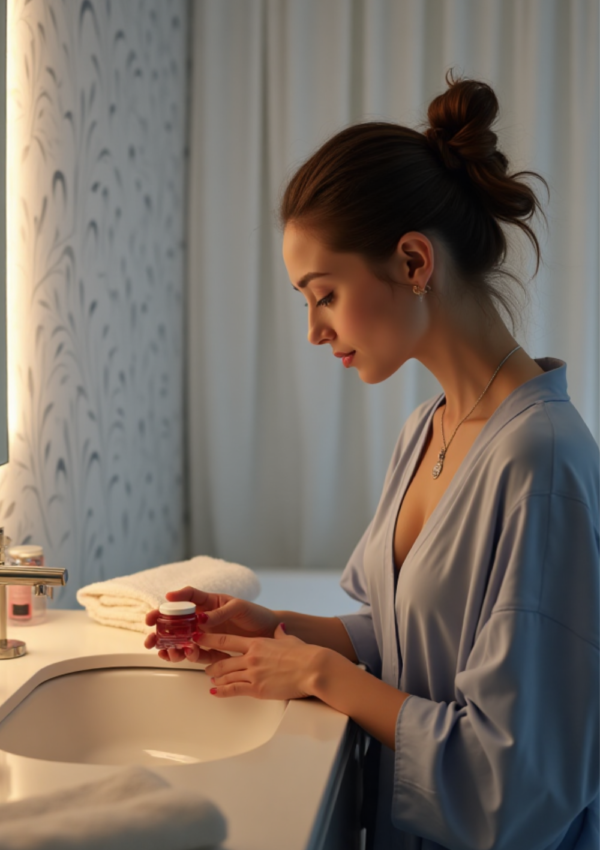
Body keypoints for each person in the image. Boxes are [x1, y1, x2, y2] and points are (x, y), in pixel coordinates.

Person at [145, 71, 599, 849]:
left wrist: (320, 675)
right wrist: (279, 626)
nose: (315, 331)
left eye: (323, 294)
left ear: (414, 262)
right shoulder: (430, 427)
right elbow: (407, 636)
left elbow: (519, 786)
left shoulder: (541, 465)